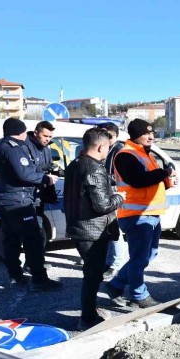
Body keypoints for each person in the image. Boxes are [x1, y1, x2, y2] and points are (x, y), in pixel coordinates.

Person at [104, 119, 177, 308]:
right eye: (146, 133)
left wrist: (167, 180)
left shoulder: (146, 153)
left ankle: (116, 284)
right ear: (135, 135)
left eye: (151, 133)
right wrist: (163, 173)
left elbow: (151, 182)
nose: (151, 136)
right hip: (136, 216)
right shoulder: (126, 155)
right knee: (140, 258)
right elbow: (137, 180)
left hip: (151, 213)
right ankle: (139, 294)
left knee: (149, 254)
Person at [64, 127, 126, 330]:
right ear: (100, 146)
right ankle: (88, 317)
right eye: (108, 147)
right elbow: (102, 205)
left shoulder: (75, 164)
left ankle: (90, 310)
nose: (109, 151)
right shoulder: (95, 169)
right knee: (93, 275)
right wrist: (119, 197)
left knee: (92, 273)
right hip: (92, 231)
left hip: (79, 227)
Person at [0, 118, 61, 291]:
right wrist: (47, 178)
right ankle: (39, 280)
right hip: (18, 201)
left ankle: (15, 275)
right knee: (34, 239)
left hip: (4, 199)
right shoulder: (14, 148)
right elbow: (24, 174)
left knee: (11, 239)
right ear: (20, 132)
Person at [99, 122, 128, 280]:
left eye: (106, 135)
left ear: (114, 135)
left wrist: (100, 178)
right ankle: (109, 261)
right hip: (108, 194)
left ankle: (116, 265)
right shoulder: (108, 149)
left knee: (115, 232)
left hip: (117, 195)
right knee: (109, 232)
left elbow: (120, 177)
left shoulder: (119, 150)